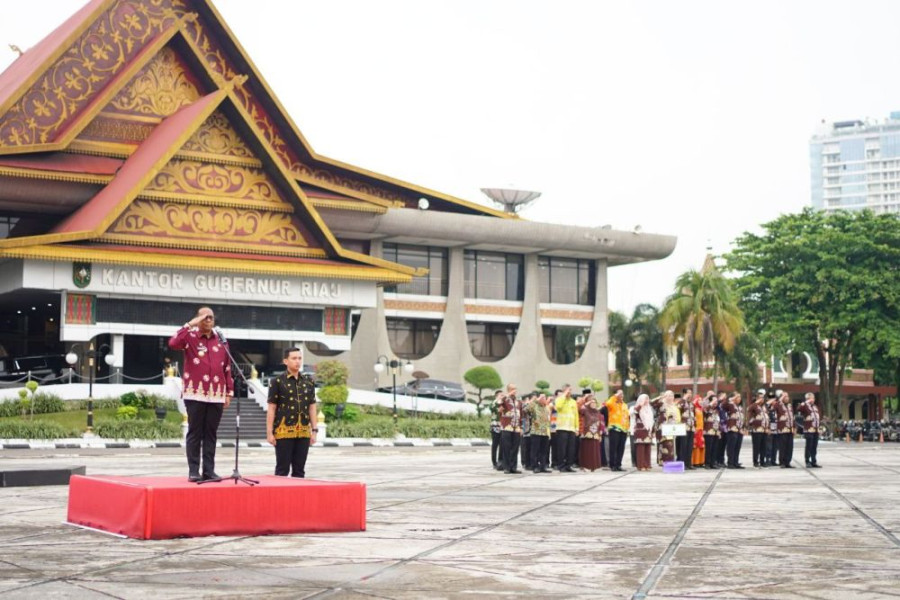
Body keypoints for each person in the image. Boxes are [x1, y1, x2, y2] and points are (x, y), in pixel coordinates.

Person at [168, 307, 234, 482]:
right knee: (195, 432)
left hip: (217, 394)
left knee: (211, 433)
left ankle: (209, 471)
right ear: (198, 319)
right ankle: (193, 471)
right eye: (204, 317)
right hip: (195, 393)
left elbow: (227, 367)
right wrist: (190, 324)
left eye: (211, 317)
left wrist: (229, 392)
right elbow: (173, 343)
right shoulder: (190, 337)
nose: (208, 320)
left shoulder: (221, 339)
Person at [266, 347, 317, 477]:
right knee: (282, 470)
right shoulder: (277, 381)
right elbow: (271, 408)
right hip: (283, 431)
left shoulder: (308, 381)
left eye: (299, 358)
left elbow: (312, 406)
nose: (297, 361)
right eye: (294, 358)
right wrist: (269, 433)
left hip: (304, 432)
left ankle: (298, 491)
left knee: (299, 470)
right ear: (286, 361)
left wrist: (314, 430)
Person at [499, 383, 523, 474]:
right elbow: (498, 403)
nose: (514, 391)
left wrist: (521, 427)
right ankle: (507, 467)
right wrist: (507, 395)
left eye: (515, 389)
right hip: (507, 427)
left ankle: (513, 467)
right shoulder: (505, 399)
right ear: (508, 390)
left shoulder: (518, 401)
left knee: (515, 448)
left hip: (516, 427)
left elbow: (521, 414)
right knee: (506, 448)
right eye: (512, 389)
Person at [554, 385, 579, 472]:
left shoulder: (573, 401)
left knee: (571, 449)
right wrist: (564, 395)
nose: (569, 392)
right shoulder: (559, 399)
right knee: (562, 448)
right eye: (568, 390)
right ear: (564, 391)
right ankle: (561, 466)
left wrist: (577, 428)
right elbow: (558, 407)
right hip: (562, 427)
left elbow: (576, 415)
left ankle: (569, 465)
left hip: (571, 428)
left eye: (570, 390)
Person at [578, 391, 603, 471]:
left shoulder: (597, 412)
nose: (593, 404)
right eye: (592, 402)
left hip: (595, 434)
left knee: (595, 451)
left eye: (594, 402)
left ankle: (594, 466)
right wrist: (587, 402)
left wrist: (600, 434)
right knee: (587, 450)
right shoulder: (585, 410)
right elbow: (580, 410)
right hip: (587, 433)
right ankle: (586, 466)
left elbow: (600, 423)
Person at [605, 389, 630, 471]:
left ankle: (618, 464)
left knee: (621, 448)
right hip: (614, 428)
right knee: (613, 447)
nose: (621, 395)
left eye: (622, 394)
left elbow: (627, 416)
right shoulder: (612, 403)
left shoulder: (625, 405)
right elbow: (607, 403)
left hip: (624, 428)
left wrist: (627, 427)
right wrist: (615, 396)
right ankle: (612, 465)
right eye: (619, 394)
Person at [527, 393, 552, 473]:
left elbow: (548, 420)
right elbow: (527, 409)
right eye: (542, 398)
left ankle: (543, 466)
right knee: (535, 450)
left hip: (545, 432)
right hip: (536, 431)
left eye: (545, 398)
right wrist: (536, 400)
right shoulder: (534, 406)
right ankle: (534, 466)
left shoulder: (546, 408)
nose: (544, 399)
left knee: (544, 451)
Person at [631, 394, 654, 471]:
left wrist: (653, 431)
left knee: (648, 449)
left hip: (648, 431)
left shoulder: (649, 409)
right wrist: (640, 405)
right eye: (645, 399)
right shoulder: (636, 408)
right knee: (640, 449)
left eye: (647, 399)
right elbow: (634, 412)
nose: (646, 401)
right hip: (640, 431)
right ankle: (640, 465)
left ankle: (647, 465)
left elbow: (652, 421)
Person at [798, 392, 822, 468]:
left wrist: (819, 428)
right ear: (807, 399)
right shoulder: (805, 406)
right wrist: (806, 402)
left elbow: (818, 417)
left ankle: (814, 461)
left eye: (813, 398)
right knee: (809, 446)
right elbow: (799, 409)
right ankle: (807, 461)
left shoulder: (815, 406)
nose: (812, 400)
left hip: (816, 429)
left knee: (814, 446)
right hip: (809, 429)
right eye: (811, 398)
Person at [747, 391, 768, 468]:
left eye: (763, 398)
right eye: (760, 398)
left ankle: (763, 461)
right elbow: (748, 409)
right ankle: (755, 461)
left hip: (764, 429)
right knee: (756, 447)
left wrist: (768, 427)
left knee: (764, 447)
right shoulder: (754, 406)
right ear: (757, 398)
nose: (762, 399)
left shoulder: (764, 407)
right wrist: (756, 402)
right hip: (757, 430)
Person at [658, 391, 680, 464]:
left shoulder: (675, 406)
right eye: (669, 395)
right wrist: (660, 398)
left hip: (674, 428)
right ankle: (666, 462)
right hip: (665, 428)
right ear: (665, 396)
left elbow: (678, 417)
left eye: (672, 396)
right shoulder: (662, 405)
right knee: (666, 446)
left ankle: (671, 462)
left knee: (672, 447)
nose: (671, 397)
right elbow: (652, 403)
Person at [724, 393, 745, 469]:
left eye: (739, 398)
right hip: (732, 429)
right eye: (737, 397)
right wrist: (732, 399)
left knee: (737, 447)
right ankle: (730, 463)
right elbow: (723, 405)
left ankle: (736, 462)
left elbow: (742, 418)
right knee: (731, 447)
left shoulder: (740, 407)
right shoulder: (730, 405)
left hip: (739, 429)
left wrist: (743, 427)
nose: (739, 399)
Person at [775, 391, 795, 468]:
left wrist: (794, 427)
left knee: (790, 447)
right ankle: (782, 462)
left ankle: (788, 462)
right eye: (784, 396)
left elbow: (792, 417)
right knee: (782, 447)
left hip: (790, 429)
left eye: (787, 396)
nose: (786, 398)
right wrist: (780, 400)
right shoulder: (779, 405)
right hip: (782, 429)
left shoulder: (790, 406)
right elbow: (775, 407)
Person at [676, 392, 696, 469]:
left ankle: (688, 463)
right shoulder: (681, 402)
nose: (690, 395)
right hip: (683, 427)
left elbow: (694, 415)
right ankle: (682, 463)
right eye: (688, 393)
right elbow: (678, 408)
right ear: (684, 394)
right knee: (683, 446)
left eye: (691, 393)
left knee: (689, 446)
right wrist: (684, 399)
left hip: (691, 427)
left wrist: (695, 425)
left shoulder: (692, 404)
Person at [703, 395, 720, 469]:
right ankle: (707, 463)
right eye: (714, 401)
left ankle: (713, 463)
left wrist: (719, 431)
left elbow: (718, 421)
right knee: (708, 448)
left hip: (716, 431)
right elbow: (704, 410)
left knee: (715, 448)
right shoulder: (707, 408)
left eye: (716, 401)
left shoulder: (716, 410)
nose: (715, 402)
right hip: (708, 431)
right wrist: (711, 403)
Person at [489, 390, 504, 470]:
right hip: (495, 426)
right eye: (500, 395)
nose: (502, 396)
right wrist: (499, 402)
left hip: (502, 427)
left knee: (502, 445)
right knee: (495, 445)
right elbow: (493, 408)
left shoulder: (503, 403)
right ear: (497, 396)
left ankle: (500, 462)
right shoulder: (493, 403)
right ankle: (494, 462)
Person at [691, 395, 705, 468]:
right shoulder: (694, 409)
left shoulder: (701, 409)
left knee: (701, 445)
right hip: (696, 429)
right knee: (695, 445)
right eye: (699, 400)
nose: (701, 401)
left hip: (701, 429)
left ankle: (700, 461)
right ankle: (695, 462)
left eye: (701, 400)